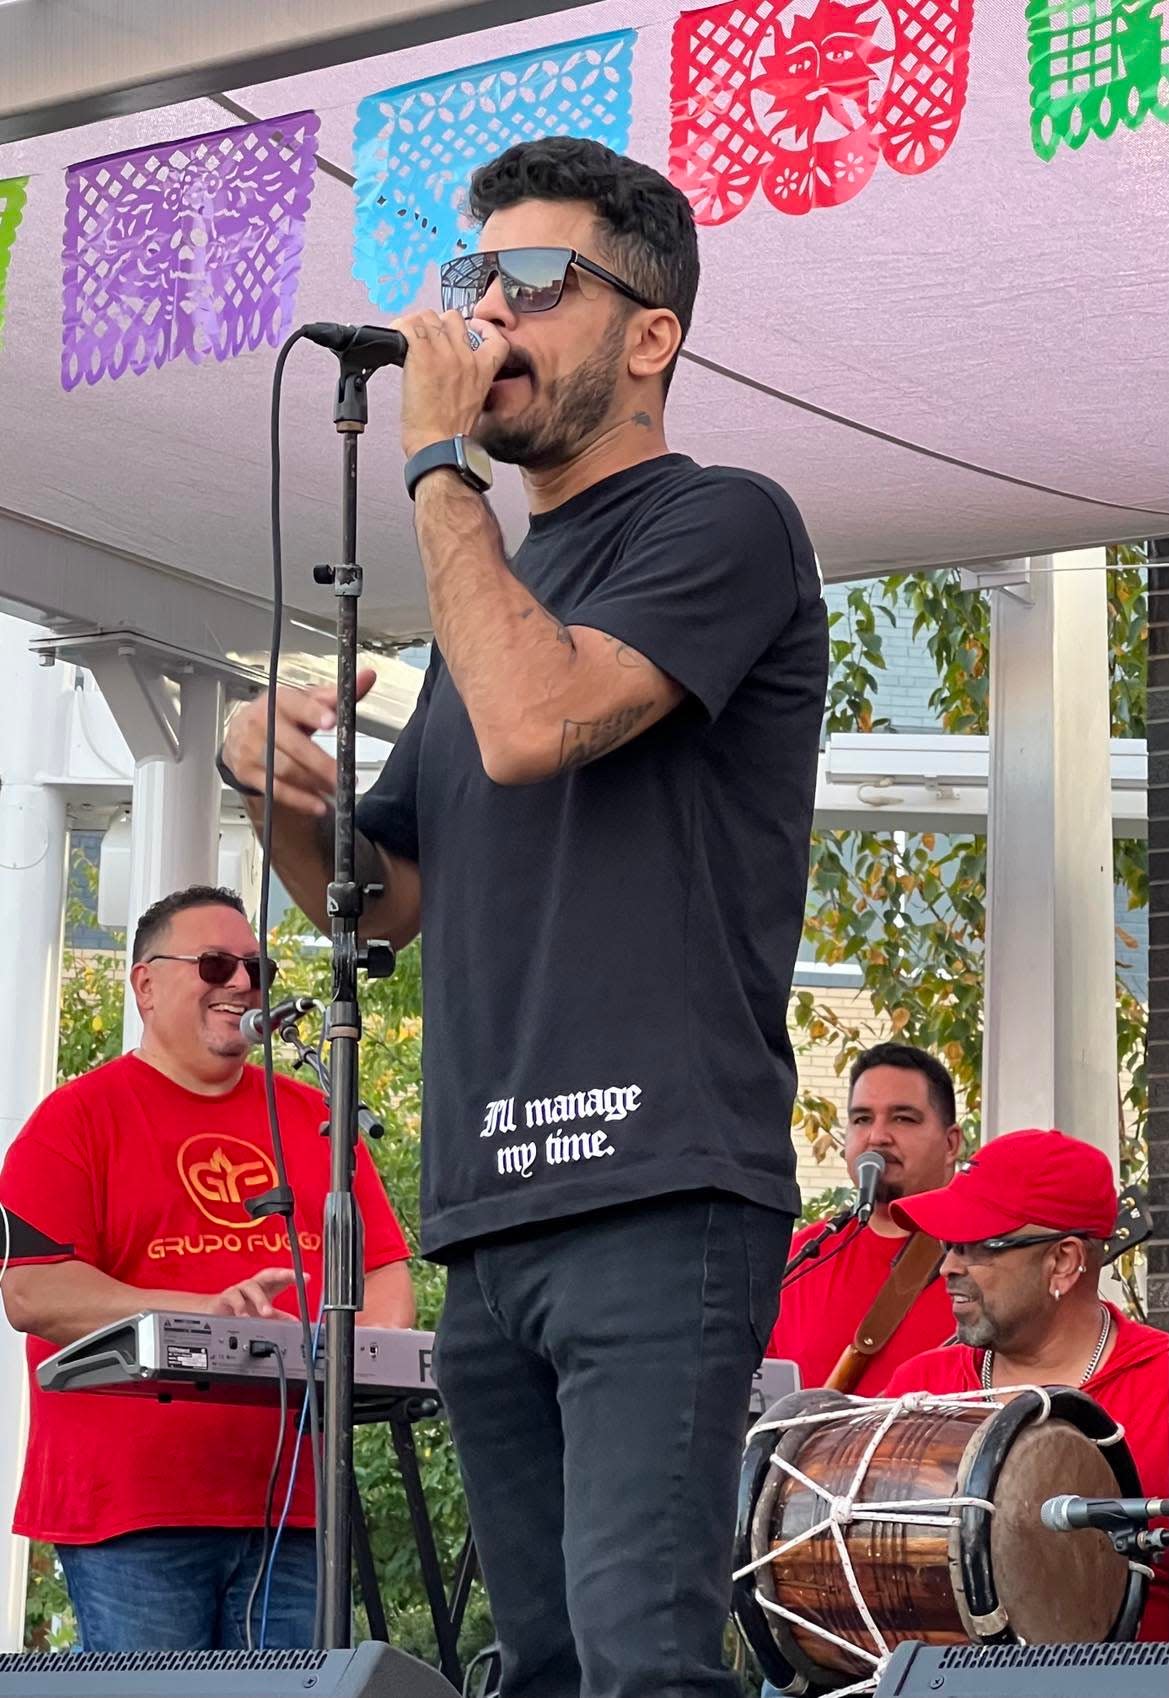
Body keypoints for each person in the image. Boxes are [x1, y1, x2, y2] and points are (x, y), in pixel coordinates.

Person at [220, 136, 828, 1698]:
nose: (487, 314)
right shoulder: (500, 586)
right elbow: (385, 903)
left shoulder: (727, 524)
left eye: (535, 280)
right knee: (543, 1661)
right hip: (489, 1206)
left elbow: (536, 722)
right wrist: (273, 794)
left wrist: (434, 470)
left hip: (655, 1177)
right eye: (471, 279)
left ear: (648, 335)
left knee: (640, 1653)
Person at [0, 885, 414, 1652]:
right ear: (146, 986)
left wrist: (373, 1354)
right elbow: (33, 1290)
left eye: (257, 970)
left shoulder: (315, 1116)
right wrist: (201, 1311)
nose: (240, 985)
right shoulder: (74, 1120)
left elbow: (384, 1272)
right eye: (216, 964)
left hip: (296, 1507)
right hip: (134, 1513)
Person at [882, 1127, 1168, 1641]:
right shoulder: (920, 1388)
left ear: (1062, 1261)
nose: (948, 1266)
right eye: (949, 1244)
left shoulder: (1161, 1387)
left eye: (975, 1245)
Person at [765, 1043, 961, 1394]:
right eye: (862, 1119)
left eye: (903, 1118)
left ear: (951, 1144)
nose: (877, 1137)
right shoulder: (804, 1256)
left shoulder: (987, 1253)